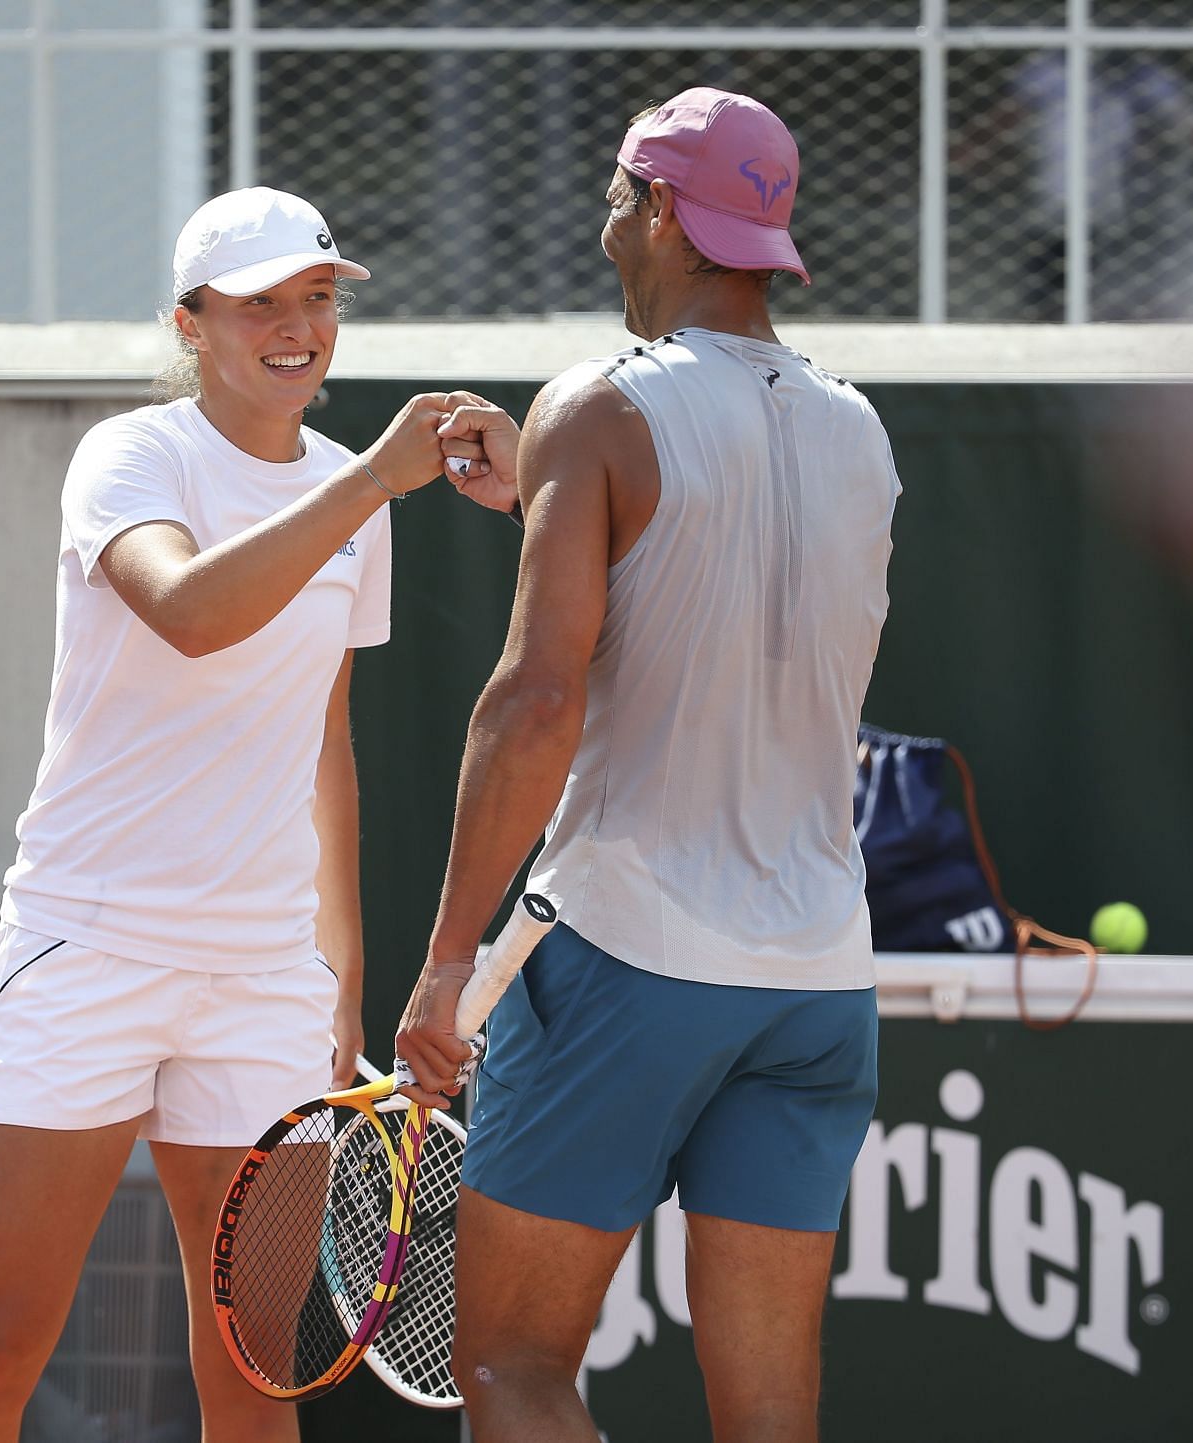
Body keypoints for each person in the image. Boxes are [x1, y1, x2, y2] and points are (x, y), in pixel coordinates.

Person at [0, 186, 514, 1443]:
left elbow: (324, 744)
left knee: (250, 1374)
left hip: (262, 978)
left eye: (316, 298)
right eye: (258, 305)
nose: (296, 327)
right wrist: (371, 492)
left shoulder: (357, 493)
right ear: (192, 324)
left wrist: (334, 970)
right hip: (87, 946)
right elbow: (188, 613)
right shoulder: (135, 457)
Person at [396, 88, 901, 1442]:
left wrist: (450, 958)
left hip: (629, 956)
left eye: (621, 200)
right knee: (770, 1422)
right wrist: (556, 486)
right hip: (816, 981)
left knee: (511, 1368)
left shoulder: (600, 409)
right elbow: (721, 579)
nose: (608, 226)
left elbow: (538, 693)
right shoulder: (861, 431)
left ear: (667, 213)